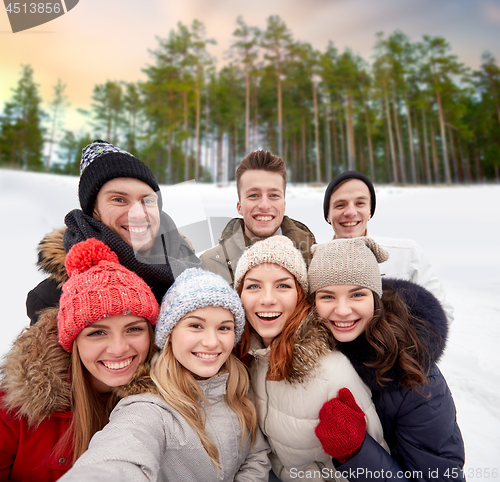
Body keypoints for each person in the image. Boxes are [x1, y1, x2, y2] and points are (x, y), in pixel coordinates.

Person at [58, 268, 271, 482]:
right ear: (169, 334)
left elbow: (256, 456)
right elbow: (120, 454)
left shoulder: (237, 387)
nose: (212, 342)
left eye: (224, 328)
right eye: (196, 325)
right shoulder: (150, 408)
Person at [0, 238, 160, 482]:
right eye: (97, 333)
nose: (118, 348)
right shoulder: (14, 411)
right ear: (72, 343)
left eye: (133, 329)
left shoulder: (168, 402)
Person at [309, 237, 465, 482]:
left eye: (357, 294)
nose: (342, 310)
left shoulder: (416, 379)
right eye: (327, 296)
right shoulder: (313, 355)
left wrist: (357, 453)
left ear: (375, 298)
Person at [233, 236, 388, 482]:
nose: (267, 299)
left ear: (300, 296)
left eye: (283, 285)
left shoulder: (332, 371)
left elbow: (373, 470)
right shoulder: (249, 361)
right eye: (253, 286)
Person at [27, 139, 200, 325]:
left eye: (147, 201)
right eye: (119, 200)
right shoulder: (55, 300)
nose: (138, 214)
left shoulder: (194, 275)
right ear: (94, 210)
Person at [323, 170, 454, 323]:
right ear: (328, 215)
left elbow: (441, 314)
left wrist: (393, 340)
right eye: (340, 205)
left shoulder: (407, 254)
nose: (351, 212)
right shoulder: (313, 262)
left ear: (370, 211)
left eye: (360, 203)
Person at [201, 150, 316, 286]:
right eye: (253, 195)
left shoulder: (314, 259)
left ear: (284, 205)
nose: (264, 205)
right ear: (239, 207)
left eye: (273, 195)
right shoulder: (209, 266)